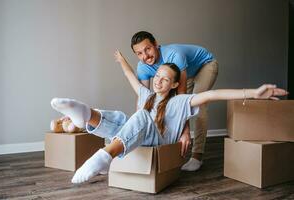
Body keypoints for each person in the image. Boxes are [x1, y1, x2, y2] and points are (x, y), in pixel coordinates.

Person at [50, 51, 287, 184]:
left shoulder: (180, 102)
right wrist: (122, 60)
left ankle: (104, 156)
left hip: (158, 143)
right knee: (124, 118)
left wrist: (253, 92)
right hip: (137, 137)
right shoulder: (146, 95)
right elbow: (130, 76)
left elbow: (213, 94)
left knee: (140, 116)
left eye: (165, 79)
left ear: (174, 84)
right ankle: (86, 115)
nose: (158, 80)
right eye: (157, 76)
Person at [131, 31, 218, 171]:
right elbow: (144, 99)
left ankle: (197, 156)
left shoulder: (174, 55)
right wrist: (136, 127)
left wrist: (185, 131)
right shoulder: (142, 67)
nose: (145, 56)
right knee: (164, 105)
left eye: (148, 49)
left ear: (156, 45)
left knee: (199, 105)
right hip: (186, 72)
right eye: (139, 53)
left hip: (205, 65)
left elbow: (181, 97)